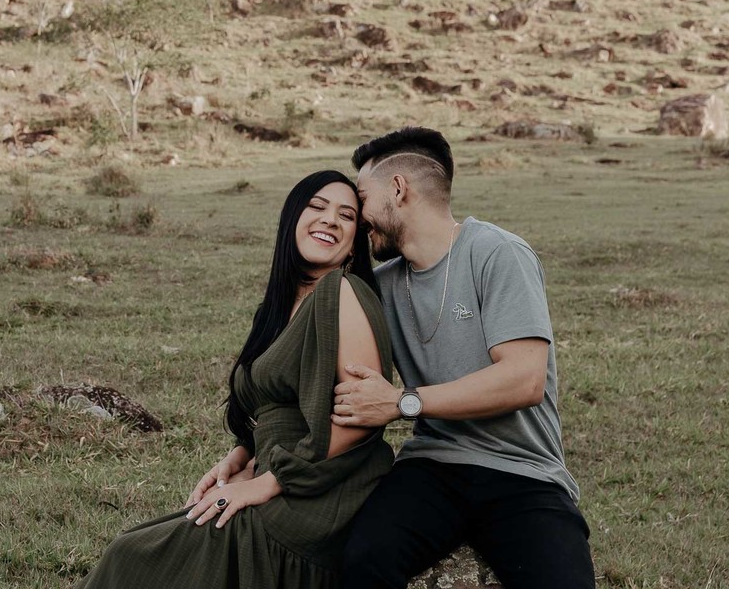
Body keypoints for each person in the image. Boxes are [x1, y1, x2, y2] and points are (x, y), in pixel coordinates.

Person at [75, 171, 394, 588]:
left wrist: (267, 483)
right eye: (317, 207)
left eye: (346, 215)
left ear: (354, 242)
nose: (330, 219)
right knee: (134, 545)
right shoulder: (278, 307)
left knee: (148, 554)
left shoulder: (343, 291)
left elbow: (362, 417)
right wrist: (243, 456)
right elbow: (277, 405)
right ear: (291, 217)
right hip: (280, 471)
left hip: (324, 488)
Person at [332, 127, 595, 589]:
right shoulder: (383, 283)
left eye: (362, 200)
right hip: (432, 467)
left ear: (398, 189)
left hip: (522, 470)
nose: (358, 219)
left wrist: (401, 402)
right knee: (361, 561)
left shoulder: (497, 253)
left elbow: (523, 380)